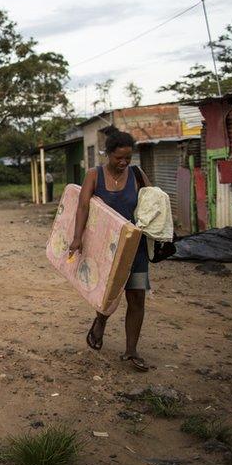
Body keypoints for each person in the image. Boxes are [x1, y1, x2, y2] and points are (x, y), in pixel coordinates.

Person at [68, 127, 151, 372]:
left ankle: (131, 350)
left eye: (128, 157)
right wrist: (77, 237)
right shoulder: (95, 175)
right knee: (108, 295)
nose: (124, 162)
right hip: (106, 250)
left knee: (136, 297)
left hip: (135, 249)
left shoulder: (137, 175)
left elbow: (153, 204)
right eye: (119, 158)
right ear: (108, 154)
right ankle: (100, 322)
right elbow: (82, 207)